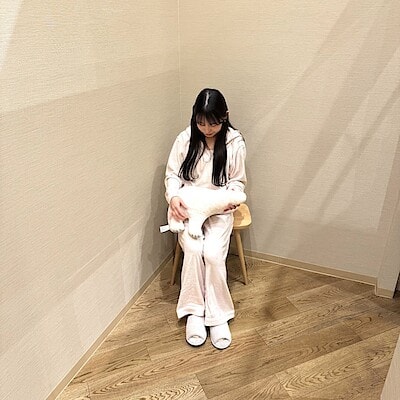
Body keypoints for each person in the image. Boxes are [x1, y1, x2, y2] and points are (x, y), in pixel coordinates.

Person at [164, 88, 246, 350]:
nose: (207, 129)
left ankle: (218, 314)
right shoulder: (185, 139)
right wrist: (173, 198)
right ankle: (194, 311)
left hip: (220, 208)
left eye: (213, 124)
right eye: (201, 123)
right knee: (192, 249)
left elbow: (237, 181)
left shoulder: (234, 142)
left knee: (212, 254)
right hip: (189, 206)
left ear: (225, 116)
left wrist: (230, 199)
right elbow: (172, 176)